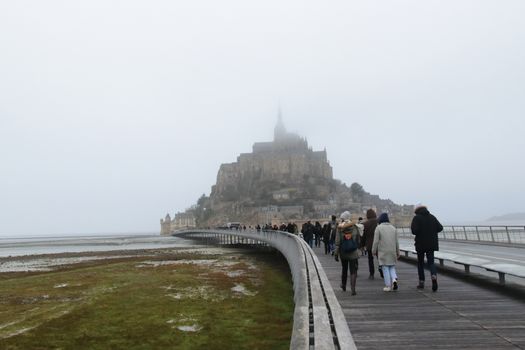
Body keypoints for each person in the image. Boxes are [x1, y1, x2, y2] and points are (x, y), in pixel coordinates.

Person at [411, 204, 443, 291]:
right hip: (431, 244)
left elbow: (414, 231)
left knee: (420, 263)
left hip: (421, 244)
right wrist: (432, 231)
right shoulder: (432, 217)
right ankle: (433, 276)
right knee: (431, 262)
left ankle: (421, 282)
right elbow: (440, 228)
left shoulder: (417, 218)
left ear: (416, 210)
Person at [372, 213, 400, 292]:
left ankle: (388, 286)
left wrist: (373, 251)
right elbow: (396, 242)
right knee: (392, 267)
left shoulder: (378, 228)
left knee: (385, 268)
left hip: (383, 252)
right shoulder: (393, 228)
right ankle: (394, 279)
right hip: (392, 251)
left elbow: (376, 241)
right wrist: (398, 252)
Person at [334, 211, 361, 295]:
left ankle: (344, 285)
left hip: (343, 252)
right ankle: (353, 288)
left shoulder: (339, 228)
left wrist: (336, 253)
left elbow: (337, 242)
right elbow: (358, 239)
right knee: (353, 270)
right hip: (353, 252)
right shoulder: (354, 227)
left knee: (344, 269)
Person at [362, 209, 380, 279]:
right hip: (378, 243)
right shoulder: (378, 222)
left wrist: (362, 245)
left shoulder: (365, 224)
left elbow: (363, 236)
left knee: (370, 259)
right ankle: (382, 270)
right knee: (380, 258)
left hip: (369, 244)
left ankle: (371, 274)